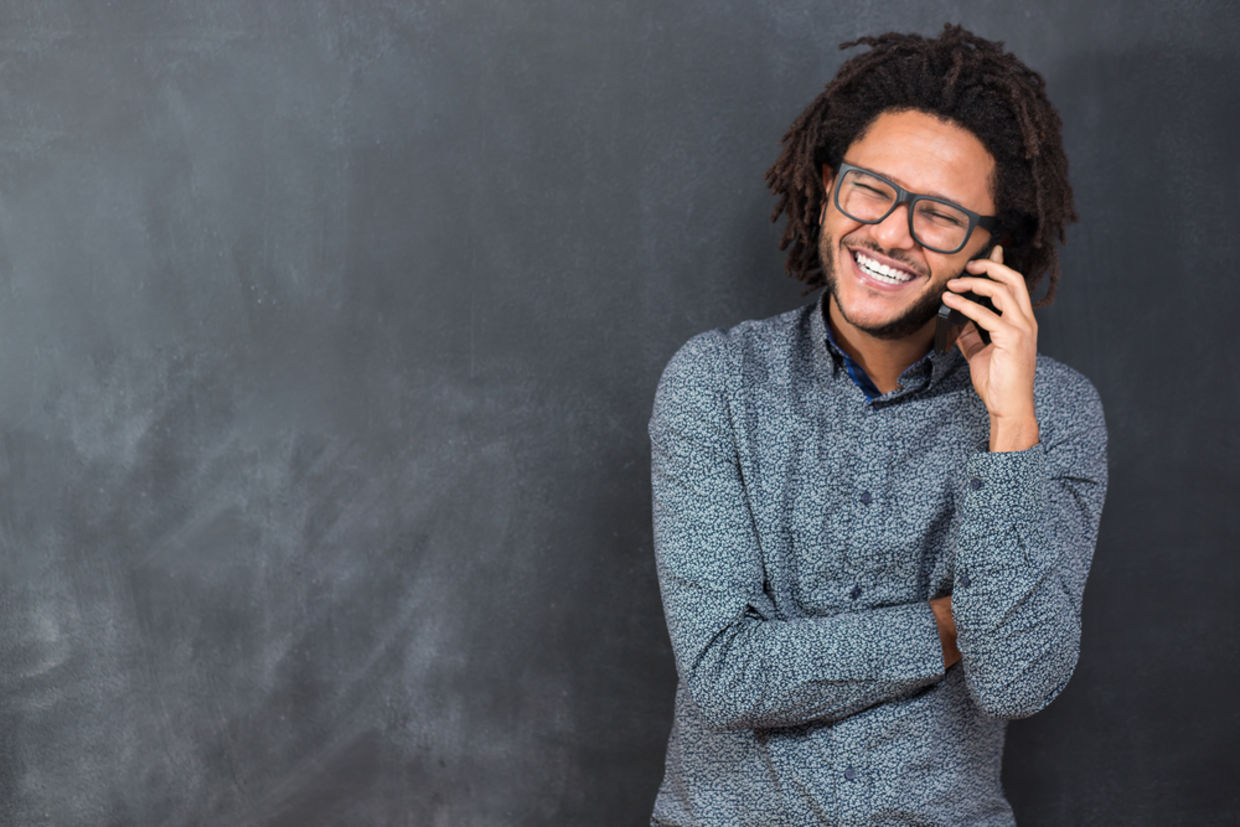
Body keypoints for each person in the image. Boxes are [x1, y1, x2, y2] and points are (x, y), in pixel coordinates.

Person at [648, 25, 1108, 825]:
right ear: (830, 186)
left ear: (990, 250)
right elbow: (726, 672)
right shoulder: (715, 382)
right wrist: (950, 622)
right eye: (871, 189)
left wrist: (1010, 427)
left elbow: (1017, 677)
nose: (892, 232)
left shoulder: (1053, 414)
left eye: (940, 216)